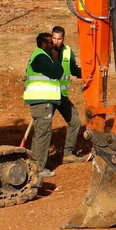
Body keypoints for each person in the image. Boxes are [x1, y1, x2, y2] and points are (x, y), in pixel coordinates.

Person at [23, 31, 64, 177]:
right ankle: (39, 168)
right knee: (43, 134)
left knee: (40, 134)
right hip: (42, 101)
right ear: (43, 44)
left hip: (41, 101)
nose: (53, 45)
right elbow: (56, 73)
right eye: (50, 43)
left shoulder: (39, 55)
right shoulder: (41, 57)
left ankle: (37, 164)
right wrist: (57, 60)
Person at [50, 25, 85, 162]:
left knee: (75, 122)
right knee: (45, 127)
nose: (56, 41)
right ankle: (42, 157)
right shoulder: (45, 51)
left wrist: (89, 72)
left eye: (59, 39)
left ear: (63, 38)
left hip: (61, 95)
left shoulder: (67, 52)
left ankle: (67, 153)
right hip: (49, 95)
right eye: (54, 38)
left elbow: (74, 70)